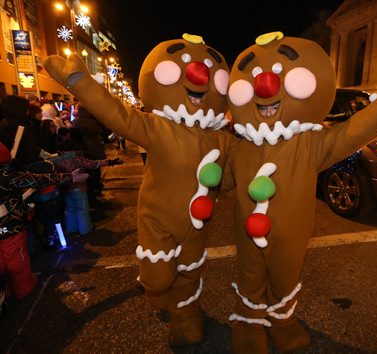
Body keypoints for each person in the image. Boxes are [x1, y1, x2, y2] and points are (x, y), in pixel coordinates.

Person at [223, 32, 377, 353]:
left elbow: (355, 130)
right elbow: (223, 181)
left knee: (285, 275)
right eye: (254, 77)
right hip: (247, 232)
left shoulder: (311, 143)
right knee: (249, 273)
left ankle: (281, 318)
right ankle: (248, 319)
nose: (265, 85)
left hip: (292, 234)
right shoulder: (238, 148)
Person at [43, 33, 236, 347]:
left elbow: (232, 177)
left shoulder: (223, 138)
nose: (198, 76)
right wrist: (79, 80)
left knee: (189, 272)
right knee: (157, 278)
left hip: (198, 225)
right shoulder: (157, 127)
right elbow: (117, 114)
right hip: (157, 221)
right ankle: (160, 287)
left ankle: (187, 317)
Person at [0, 140, 88, 300]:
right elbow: (39, 179)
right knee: (16, 261)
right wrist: (69, 177)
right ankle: (23, 290)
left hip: (10, 228)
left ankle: (6, 292)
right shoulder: (8, 176)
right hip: (11, 229)